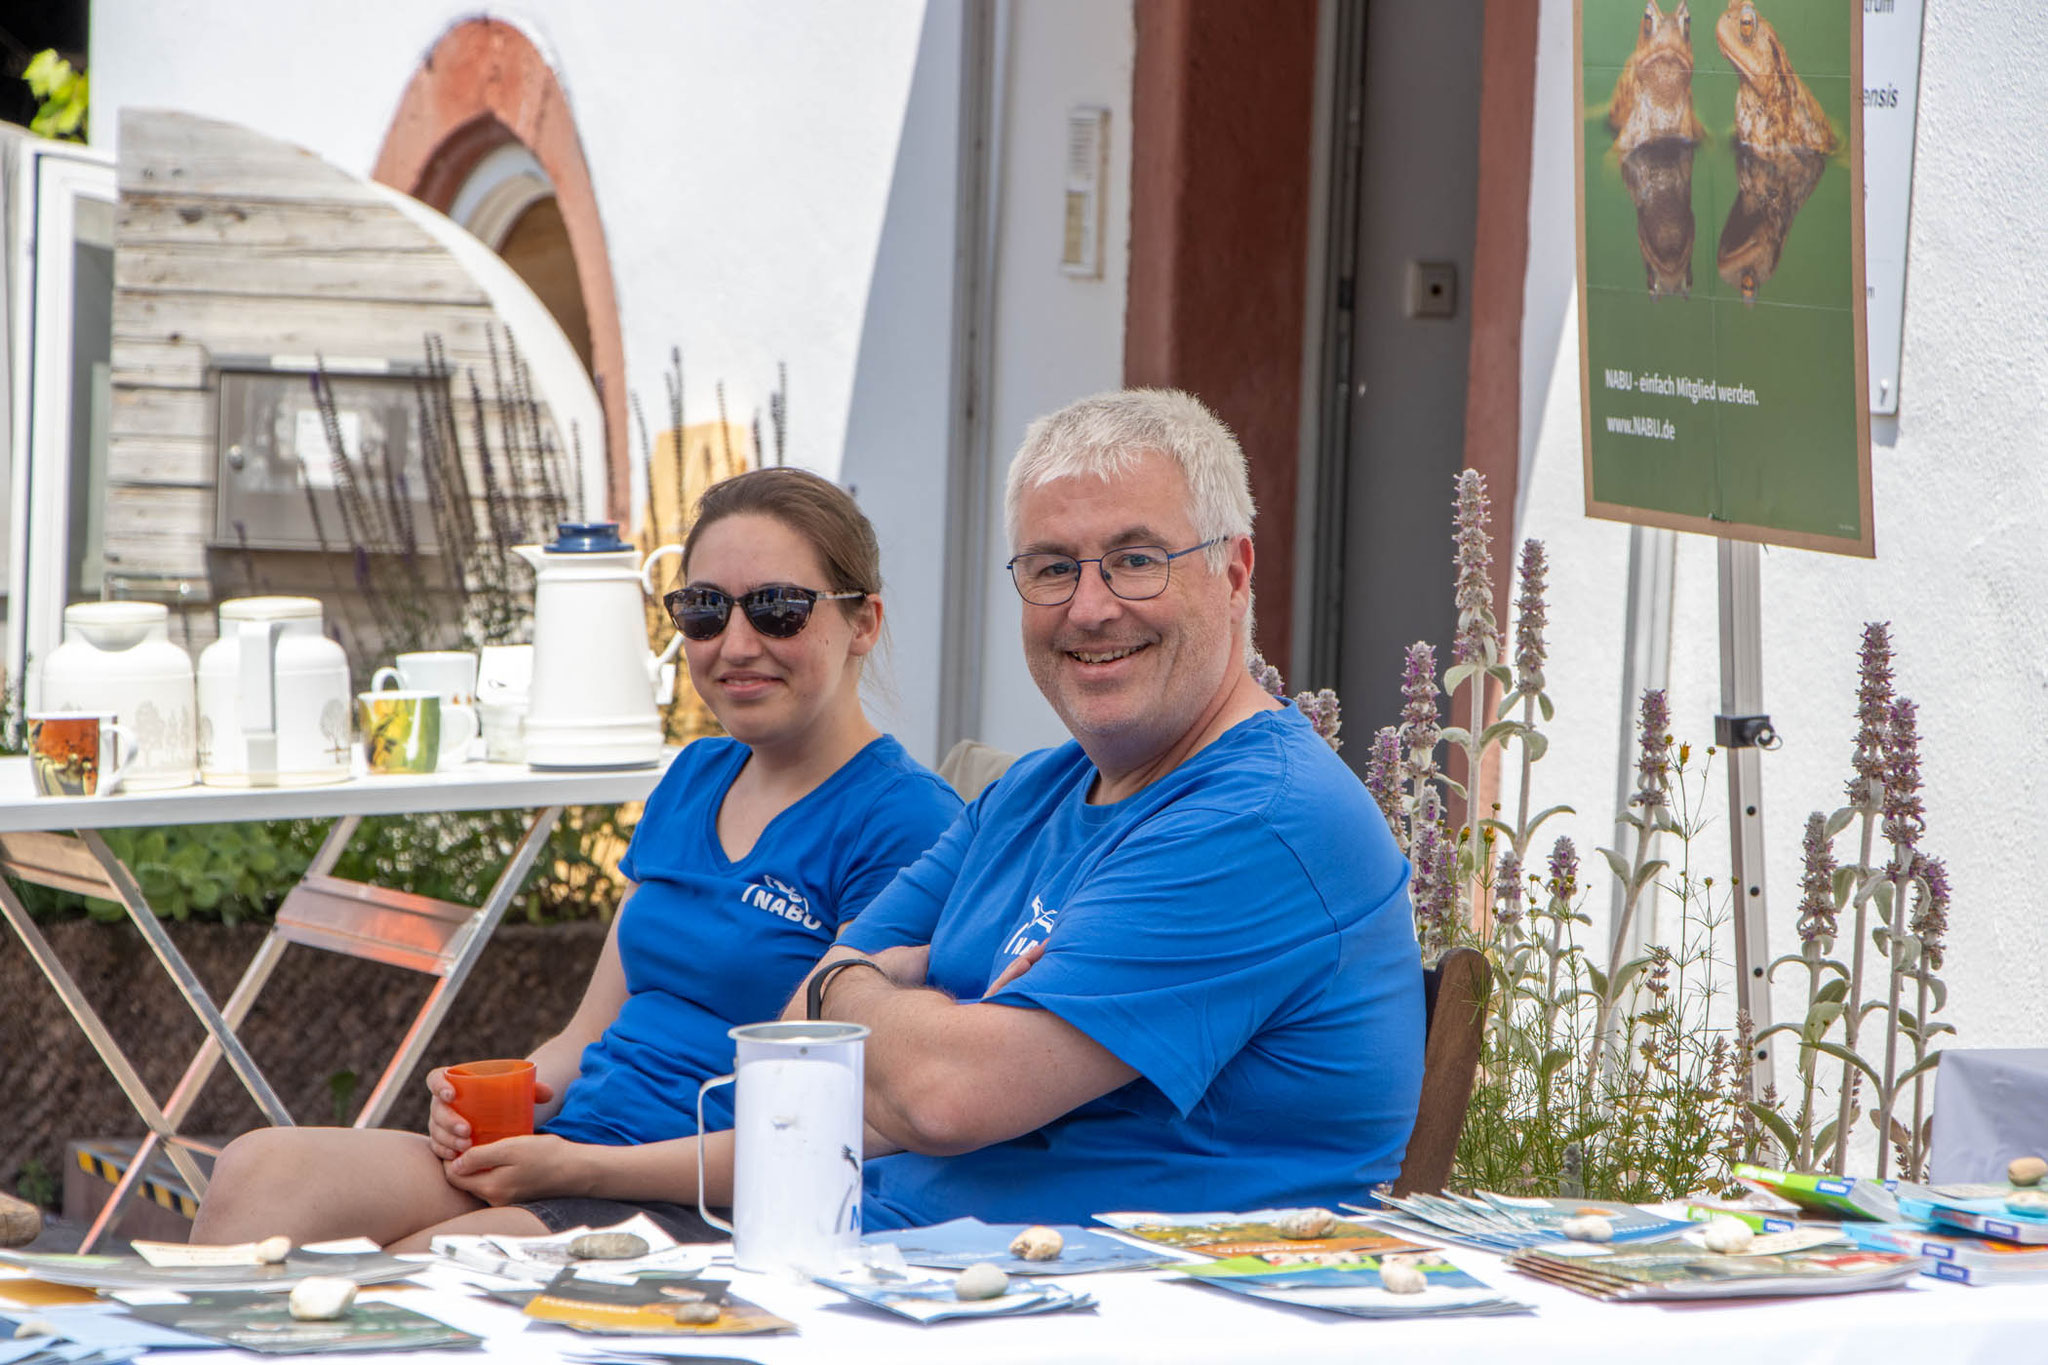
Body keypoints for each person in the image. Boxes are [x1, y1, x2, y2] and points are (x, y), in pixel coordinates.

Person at [685, 388, 1423, 1227]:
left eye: (1138, 559)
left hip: (1119, 1311)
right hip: (908, 1277)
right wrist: (929, 1020)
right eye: (1052, 567)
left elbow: (944, 1096)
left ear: (1234, 572)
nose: (1091, 606)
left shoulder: (1259, 818)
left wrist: (859, 985)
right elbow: (794, 1053)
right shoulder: (1028, 793)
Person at [192, 468, 962, 1250]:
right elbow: (587, 1031)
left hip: (701, 1200)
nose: (735, 644)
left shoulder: (904, 820)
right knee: (258, 1171)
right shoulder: (696, 774)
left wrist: (576, 1168)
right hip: (574, 1152)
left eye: (777, 608)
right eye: (702, 611)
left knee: (415, 1270)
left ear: (862, 621)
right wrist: (494, 1103)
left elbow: (856, 1126)